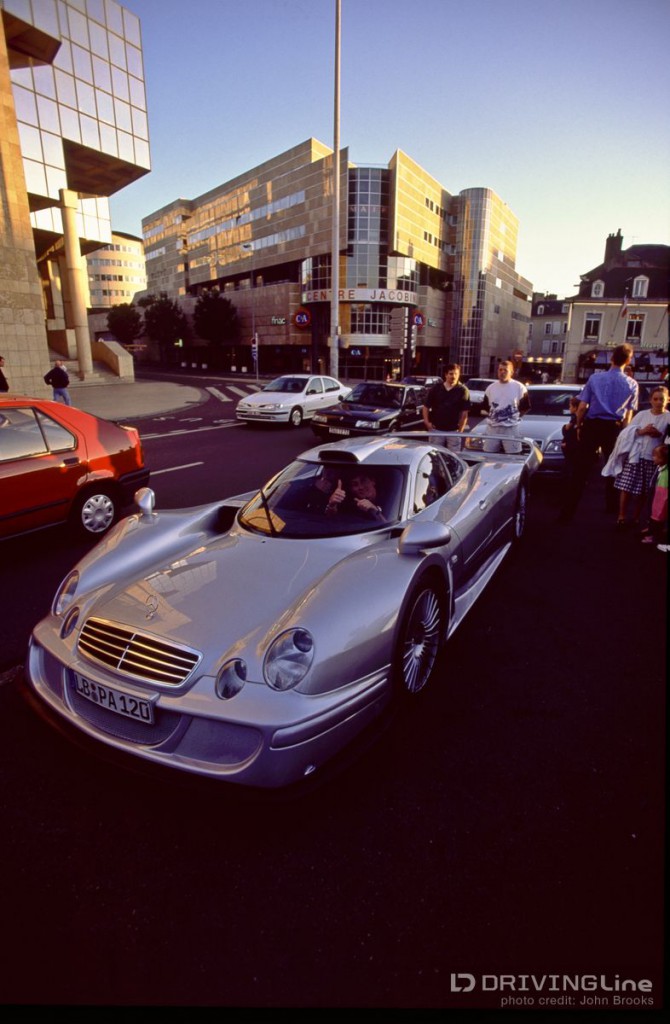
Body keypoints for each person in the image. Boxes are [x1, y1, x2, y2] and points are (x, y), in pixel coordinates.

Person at [558, 343, 638, 522]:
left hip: (592, 426)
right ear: (628, 361)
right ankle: (612, 508)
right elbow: (628, 415)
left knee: (580, 470)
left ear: (612, 358)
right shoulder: (632, 384)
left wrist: (579, 426)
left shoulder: (595, 378)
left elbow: (582, 407)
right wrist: (624, 433)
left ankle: (567, 512)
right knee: (614, 467)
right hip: (614, 428)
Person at [611, 386, 670, 528]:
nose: (658, 402)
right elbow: (627, 433)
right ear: (650, 400)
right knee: (627, 487)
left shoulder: (668, 417)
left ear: (667, 400)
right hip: (636, 455)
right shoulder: (642, 415)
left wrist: (659, 435)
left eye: (661, 399)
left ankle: (636, 517)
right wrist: (643, 431)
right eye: (655, 399)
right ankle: (621, 516)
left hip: (654, 459)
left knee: (644, 491)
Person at [481, 360, 530, 453]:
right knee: (488, 455)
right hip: (493, 429)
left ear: (511, 372)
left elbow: (525, 407)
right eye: (500, 370)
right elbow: (486, 407)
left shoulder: (519, 387)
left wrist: (512, 418)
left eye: (505, 370)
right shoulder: (490, 388)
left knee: (513, 456)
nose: (502, 372)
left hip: (511, 429)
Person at [422, 363, 470, 433]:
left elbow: (464, 413)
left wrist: (460, 431)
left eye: (456, 374)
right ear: (446, 375)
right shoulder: (436, 388)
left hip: (454, 431)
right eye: (451, 374)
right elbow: (426, 407)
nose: (454, 376)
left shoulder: (463, 390)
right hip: (436, 429)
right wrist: (427, 423)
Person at [640, 443, 668, 548]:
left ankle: (656, 538)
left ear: (663, 458)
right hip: (658, 498)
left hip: (661, 500)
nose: (653, 458)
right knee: (656, 518)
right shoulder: (661, 469)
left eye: (655, 456)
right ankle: (654, 535)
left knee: (659, 519)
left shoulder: (666, 473)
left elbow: (663, 491)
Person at [560, 396, 581, 478]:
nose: (569, 408)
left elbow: (575, 438)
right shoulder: (574, 419)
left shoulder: (577, 420)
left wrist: (567, 445)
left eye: (570, 406)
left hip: (573, 453)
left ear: (575, 407)